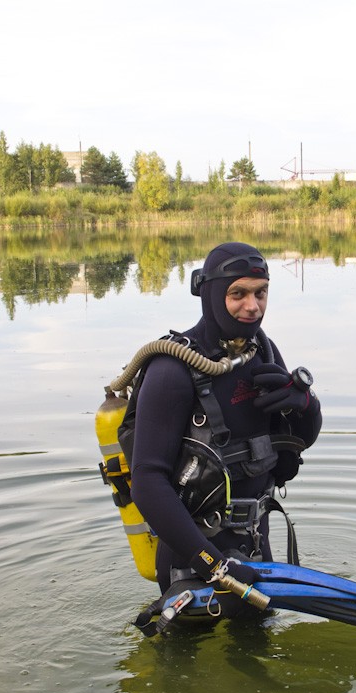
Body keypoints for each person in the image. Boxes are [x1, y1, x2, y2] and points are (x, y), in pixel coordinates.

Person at [129, 242, 322, 616]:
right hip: (192, 554)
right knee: (182, 671)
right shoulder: (172, 368)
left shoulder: (264, 352)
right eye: (238, 294)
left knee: (257, 661)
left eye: (260, 293)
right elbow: (147, 483)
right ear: (212, 293)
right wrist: (214, 566)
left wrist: (306, 404)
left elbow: (297, 442)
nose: (253, 306)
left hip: (254, 545)